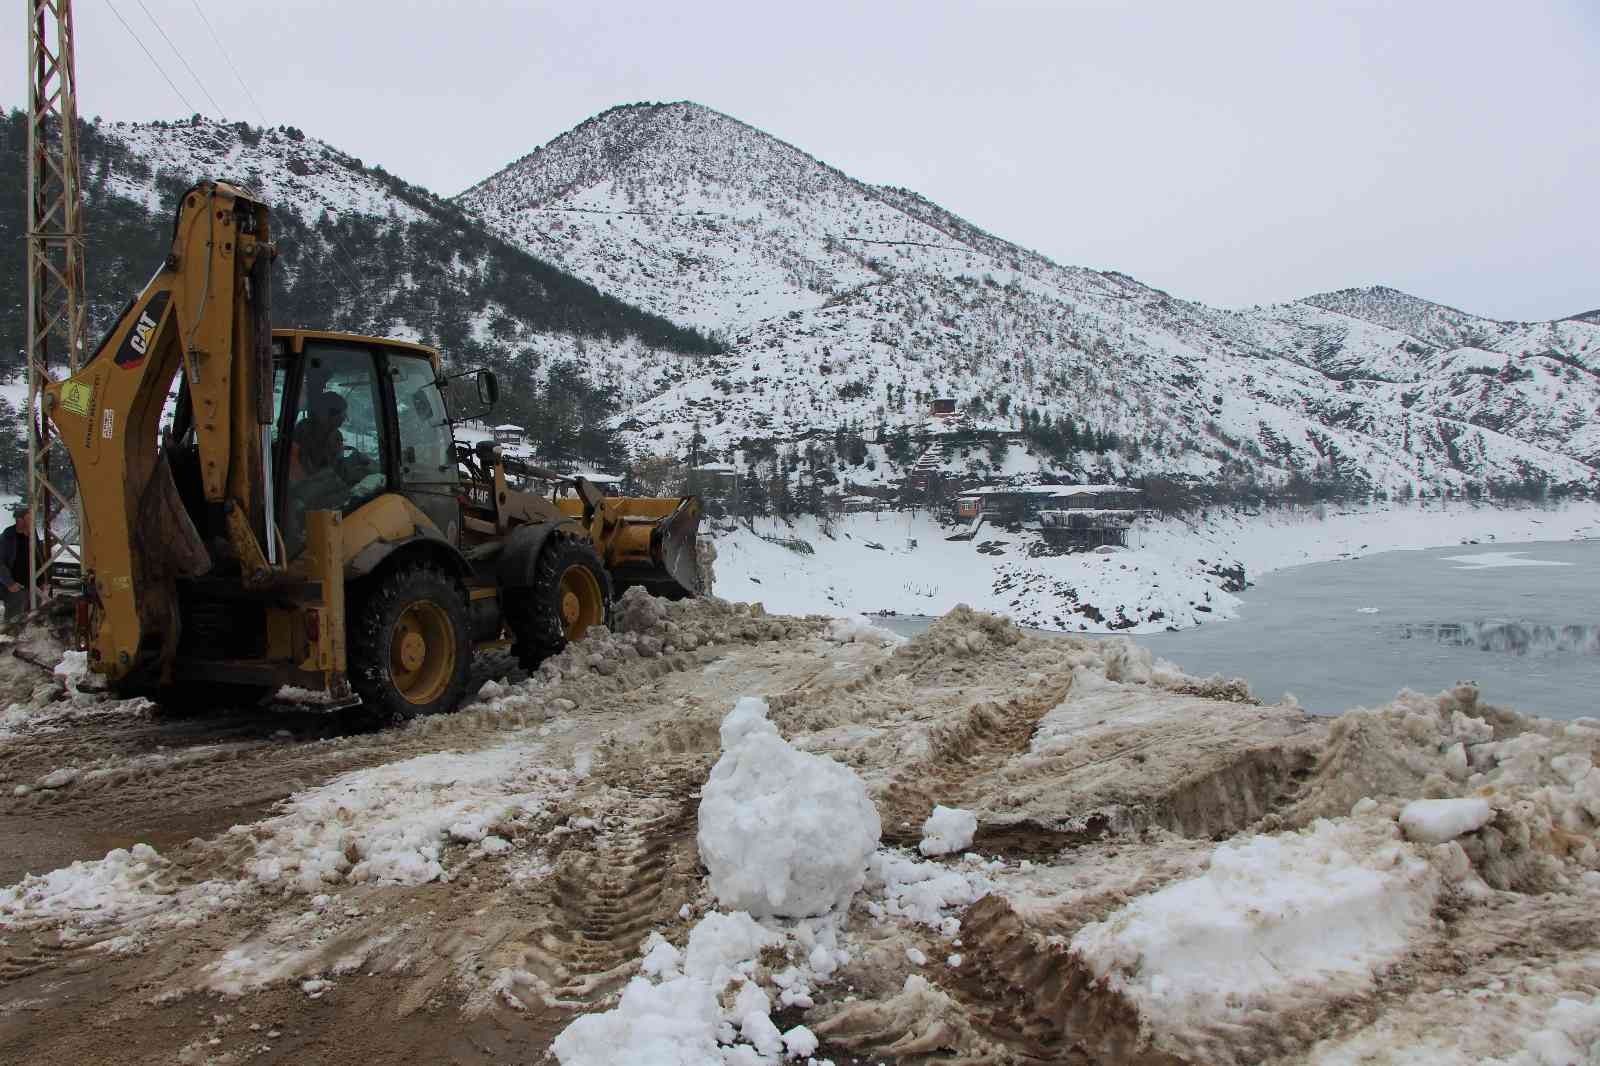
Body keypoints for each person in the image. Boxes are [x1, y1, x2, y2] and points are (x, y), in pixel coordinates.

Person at [0, 505, 39, 620]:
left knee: (33, 620)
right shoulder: (8, 536)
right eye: (29, 517)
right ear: (20, 519)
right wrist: (9, 583)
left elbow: (39, 556)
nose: (33, 520)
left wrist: (43, 579)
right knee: (14, 620)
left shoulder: (33, 534)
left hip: (34, 585)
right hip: (16, 587)